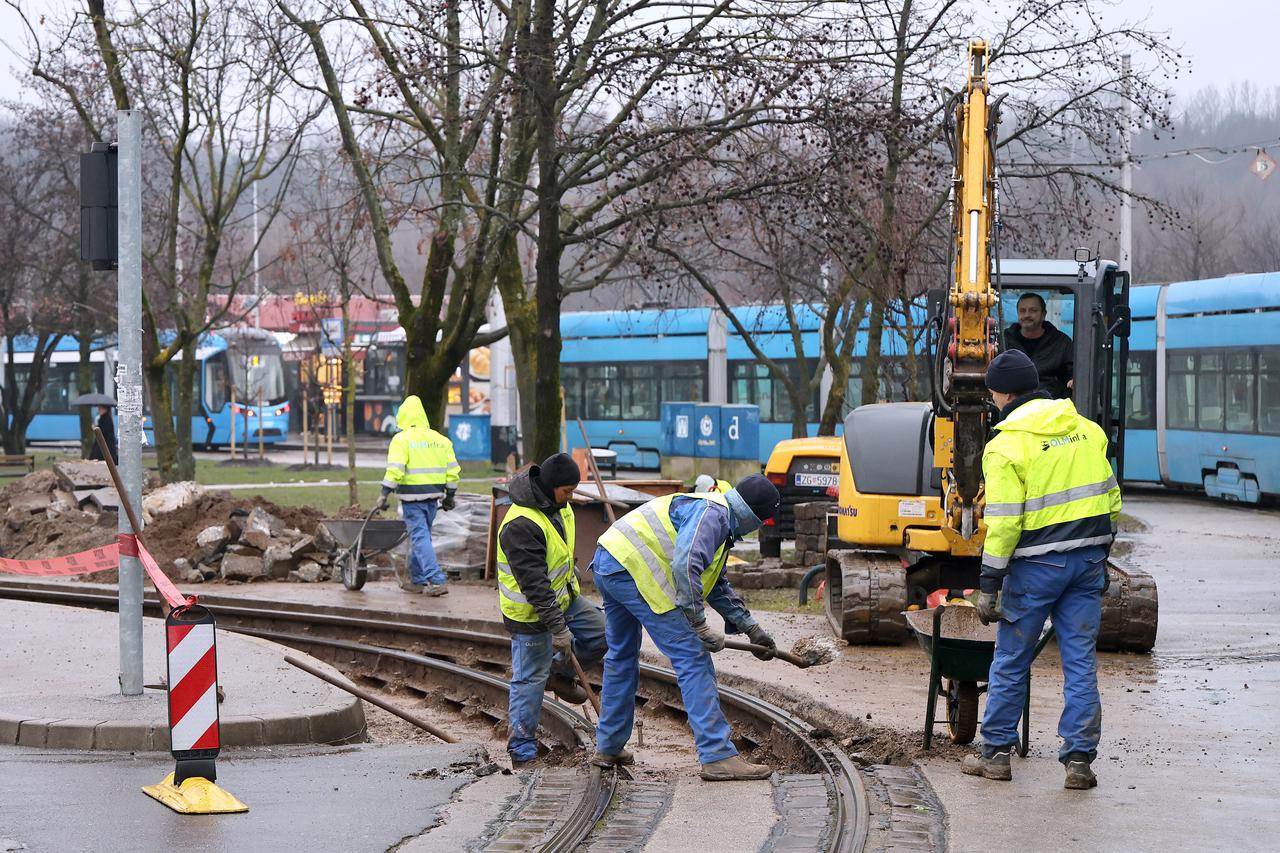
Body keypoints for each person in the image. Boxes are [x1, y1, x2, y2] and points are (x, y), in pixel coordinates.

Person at [961, 349, 1121, 790]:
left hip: (1035, 569)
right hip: (1087, 563)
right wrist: (1098, 553)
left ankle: (994, 754)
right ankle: (1079, 763)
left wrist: (989, 582)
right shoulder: (1086, 431)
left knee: (1012, 660)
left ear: (1005, 392)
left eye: (993, 391)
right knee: (1079, 663)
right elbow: (1112, 501)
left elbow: (1007, 522)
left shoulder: (1006, 445)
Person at [591, 473, 781, 781]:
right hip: (633, 571)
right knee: (693, 657)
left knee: (621, 657)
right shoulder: (713, 515)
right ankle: (717, 754)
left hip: (610, 562)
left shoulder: (716, 514)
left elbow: (715, 584)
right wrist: (699, 625)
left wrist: (751, 628)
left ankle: (609, 745)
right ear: (755, 519)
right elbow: (685, 565)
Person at [496, 453, 607, 766]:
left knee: (601, 633)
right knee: (529, 679)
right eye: (567, 491)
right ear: (549, 486)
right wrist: (559, 629)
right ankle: (522, 751)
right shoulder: (520, 524)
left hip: (563, 599)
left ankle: (559, 673)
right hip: (530, 614)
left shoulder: (560, 506)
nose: (571, 496)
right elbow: (535, 586)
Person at [376, 395, 461, 596]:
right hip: (433, 498)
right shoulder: (441, 440)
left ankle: (436, 579)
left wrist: (384, 494)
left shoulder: (401, 439)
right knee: (422, 537)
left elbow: (395, 470)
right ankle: (417, 579)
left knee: (420, 537)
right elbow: (453, 471)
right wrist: (450, 496)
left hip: (412, 499)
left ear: (403, 416)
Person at [1003, 292, 1073, 398]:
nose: (1027, 315)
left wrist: (1072, 380)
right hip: (1013, 406)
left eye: (1033, 310)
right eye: (1022, 311)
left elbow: (1073, 373)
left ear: (1043, 314)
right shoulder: (1004, 341)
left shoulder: (1061, 343)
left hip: (1049, 407)